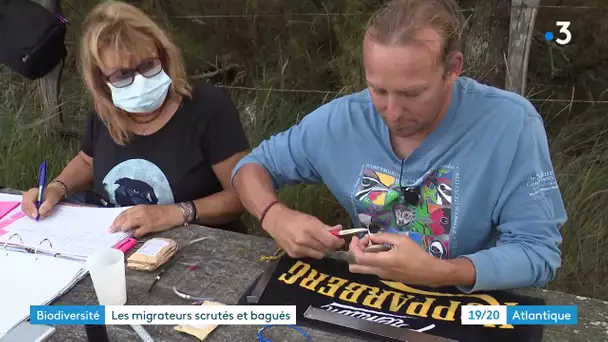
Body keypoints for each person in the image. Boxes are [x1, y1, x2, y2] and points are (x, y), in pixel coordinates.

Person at [230, 0, 567, 293]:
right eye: (378, 90)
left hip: (469, 308)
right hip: (366, 302)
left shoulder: (510, 125)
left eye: (411, 94)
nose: (392, 112)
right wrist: (274, 215)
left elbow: (537, 252)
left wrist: (441, 272)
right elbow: (251, 168)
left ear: (452, 69)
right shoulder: (342, 121)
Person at [21, 1, 250, 237]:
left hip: (202, 248)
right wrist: (56, 188)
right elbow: (87, 161)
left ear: (164, 56)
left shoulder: (207, 107)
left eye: (148, 65)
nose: (140, 80)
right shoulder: (105, 112)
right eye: (122, 75)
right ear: (102, 82)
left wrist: (176, 213)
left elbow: (244, 195)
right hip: (117, 244)